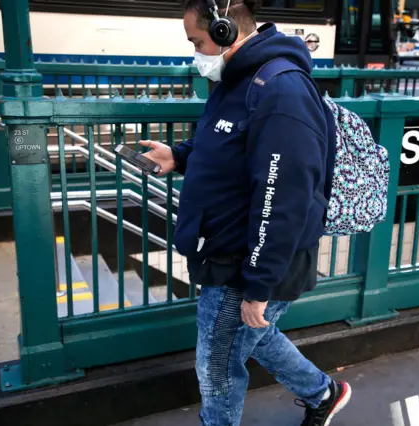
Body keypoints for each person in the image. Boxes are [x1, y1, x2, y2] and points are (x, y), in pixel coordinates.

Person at [139, 0, 351, 424]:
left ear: (223, 32)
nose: (195, 53)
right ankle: (323, 393)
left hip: (246, 263)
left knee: (217, 365)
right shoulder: (237, 81)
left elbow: (285, 198)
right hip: (226, 252)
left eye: (197, 41)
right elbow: (227, 148)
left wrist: (259, 286)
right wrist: (179, 156)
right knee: (252, 335)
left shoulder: (281, 91)